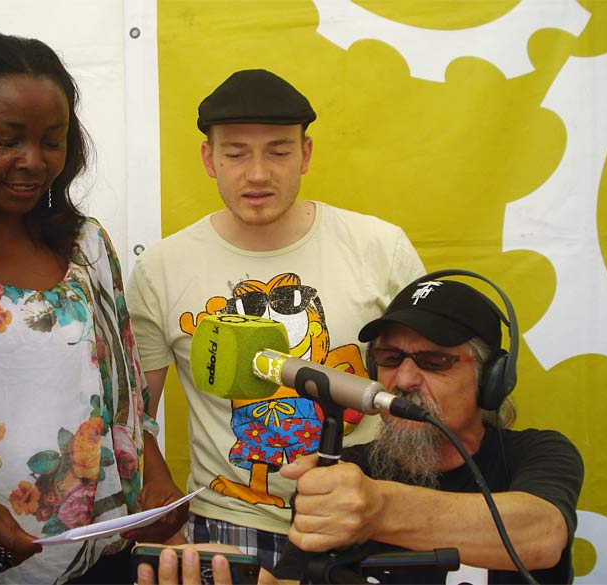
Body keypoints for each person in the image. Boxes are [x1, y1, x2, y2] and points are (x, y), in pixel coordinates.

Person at [0, 30, 185, 584]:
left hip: (94, 558)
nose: (33, 161)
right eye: (6, 139)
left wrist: (155, 480)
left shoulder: (86, 245)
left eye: (52, 140)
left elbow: (125, 386)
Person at [125, 68, 425, 570]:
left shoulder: (380, 248)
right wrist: (170, 529)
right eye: (236, 153)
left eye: (279, 152)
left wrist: (403, 505)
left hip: (367, 516)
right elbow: (134, 418)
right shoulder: (162, 268)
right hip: (229, 524)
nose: (258, 173)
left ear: (305, 154)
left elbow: (428, 392)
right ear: (209, 158)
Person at [273, 275, 584, 584]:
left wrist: (379, 510)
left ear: (490, 379)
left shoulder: (536, 453)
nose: (404, 380)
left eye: (435, 361)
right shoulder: (346, 475)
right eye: (390, 358)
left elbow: (542, 535)